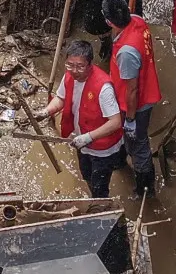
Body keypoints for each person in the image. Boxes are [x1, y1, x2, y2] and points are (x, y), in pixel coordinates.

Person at [33, 40, 124, 198]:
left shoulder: (103, 88)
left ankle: (111, 218)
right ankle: (95, 202)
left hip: (102, 149)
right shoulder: (69, 76)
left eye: (80, 66)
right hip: (82, 141)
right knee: (87, 176)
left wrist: (88, 137)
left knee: (100, 188)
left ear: (90, 64)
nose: (74, 70)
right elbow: (61, 98)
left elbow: (115, 122)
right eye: (70, 65)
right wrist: (46, 112)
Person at [103, 0, 162, 200]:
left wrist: (130, 119)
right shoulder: (137, 20)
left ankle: (145, 188)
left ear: (110, 22)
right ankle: (120, 159)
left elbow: (132, 90)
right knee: (129, 138)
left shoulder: (126, 53)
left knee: (138, 144)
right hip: (147, 87)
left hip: (138, 103)